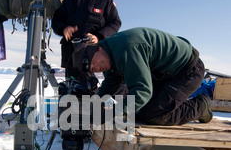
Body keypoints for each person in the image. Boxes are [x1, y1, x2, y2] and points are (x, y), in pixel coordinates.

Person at [73, 27, 213, 126]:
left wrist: (113, 111)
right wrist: (94, 107)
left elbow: (143, 91)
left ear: (98, 47)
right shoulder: (109, 55)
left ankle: (201, 106)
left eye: (94, 63)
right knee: (139, 110)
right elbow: (110, 85)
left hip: (187, 70)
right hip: (164, 73)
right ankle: (172, 101)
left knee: (154, 115)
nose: (97, 69)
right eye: (93, 69)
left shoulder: (126, 49)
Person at [52, 0, 121, 85]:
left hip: (95, 52)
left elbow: (115, 22)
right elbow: (56, 20)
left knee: (89, 87)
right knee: (71, 87)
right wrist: (64, 28)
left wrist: (99, 37)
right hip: (71, 53)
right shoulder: (69, 1)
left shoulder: (105, 1)